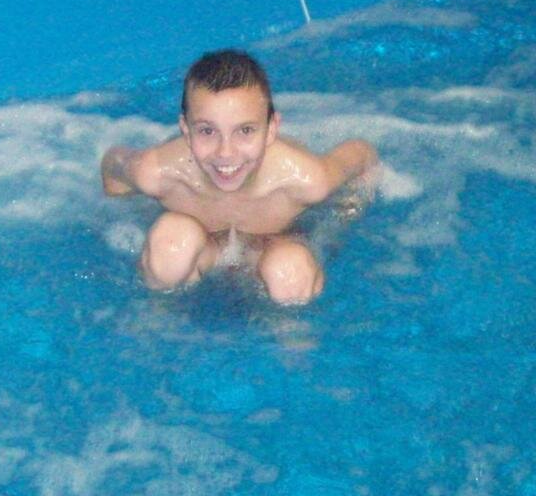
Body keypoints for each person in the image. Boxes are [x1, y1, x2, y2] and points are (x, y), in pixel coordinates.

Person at [101, 49, 379, 305]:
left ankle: (291, 338)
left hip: (272, 245)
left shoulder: (305, 178)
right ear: (186, 129)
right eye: (207, 131)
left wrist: (340, 222)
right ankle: (158, 318)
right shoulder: (157, 172)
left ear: (271, 129)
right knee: (170, 246)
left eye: (245, 131)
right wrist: (129, 214)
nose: (226, 153)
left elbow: (363, 155)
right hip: (203, 248)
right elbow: (113, 164)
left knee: (289, 271)